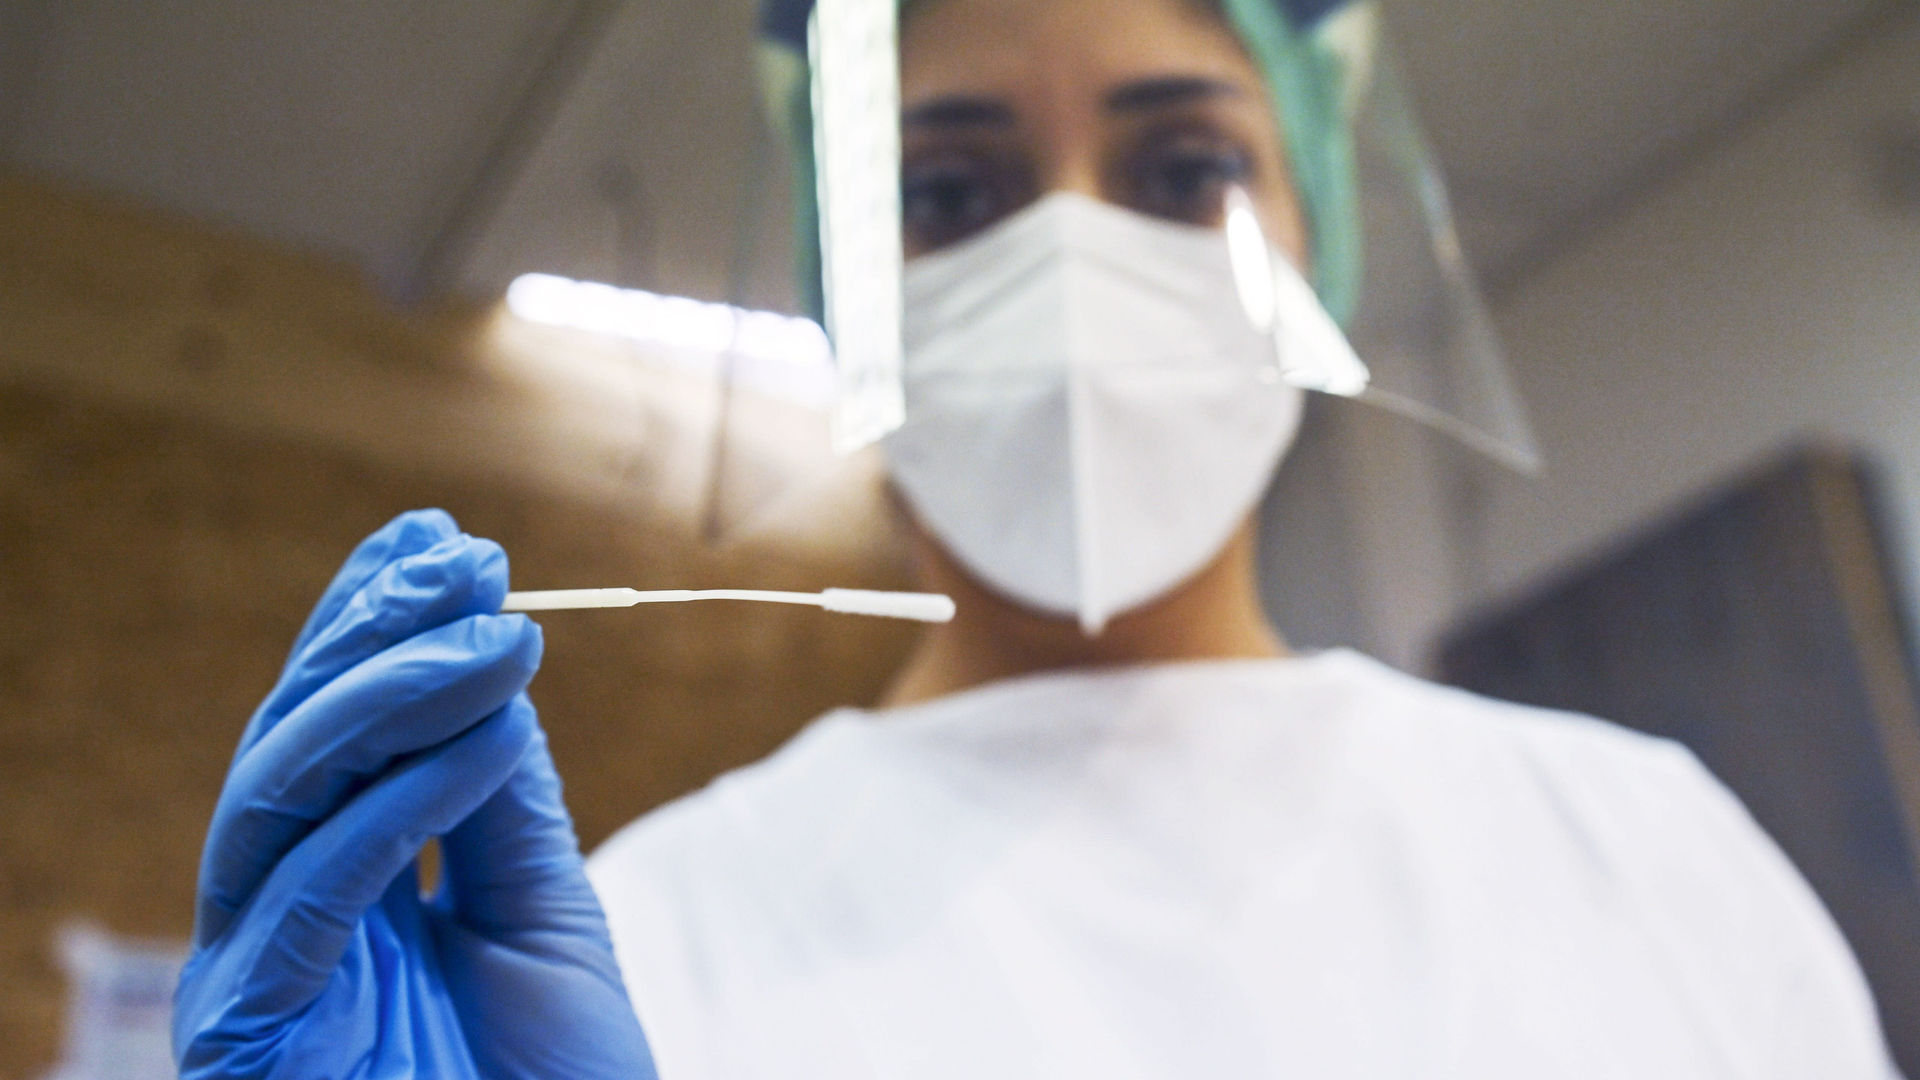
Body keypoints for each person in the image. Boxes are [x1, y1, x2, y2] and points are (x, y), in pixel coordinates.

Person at [172, 0, 1901, 1077]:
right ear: (853, 299)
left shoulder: (1641, 851)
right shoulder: (635, 950)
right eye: (944, 195)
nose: (1071, 259)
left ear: (1318, 240)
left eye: (1183, 171)